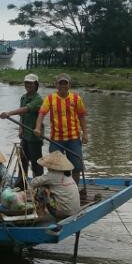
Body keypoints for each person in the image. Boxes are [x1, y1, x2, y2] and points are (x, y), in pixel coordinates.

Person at [34, 73, 88, 201]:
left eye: (65, 83)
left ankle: (73, 192)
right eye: (60, 83)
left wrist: (85, 133)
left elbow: (81, 116)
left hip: (73, 137)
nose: (63, 86)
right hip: (56, 138)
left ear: (69, 85)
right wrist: (37, 127)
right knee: (54, 167)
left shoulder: (76, 98)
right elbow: (41, 113)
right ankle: (55, 192)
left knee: (76, 165)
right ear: (56, 85)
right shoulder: (50, 98)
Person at [0, 72, 44, 177]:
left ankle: (38, 185)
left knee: (36, 162)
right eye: (26, 83)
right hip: (25, 135)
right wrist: (20, 129)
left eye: (31, 83)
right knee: (23, 159)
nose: (28, 85)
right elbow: (22, 116)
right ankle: (21, 183)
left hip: (34, 135)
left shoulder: (38, 99)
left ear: (36, 85)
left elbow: (25, 109)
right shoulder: (23, 97)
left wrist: (9, 113)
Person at [31, 150, 81, 219]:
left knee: (41, 189)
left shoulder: (52, 175)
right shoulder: (68, 175)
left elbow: (33, 182)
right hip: (75, 211)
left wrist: (44, 183)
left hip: (63, 213)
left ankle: (40, 212)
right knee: (48, 187)